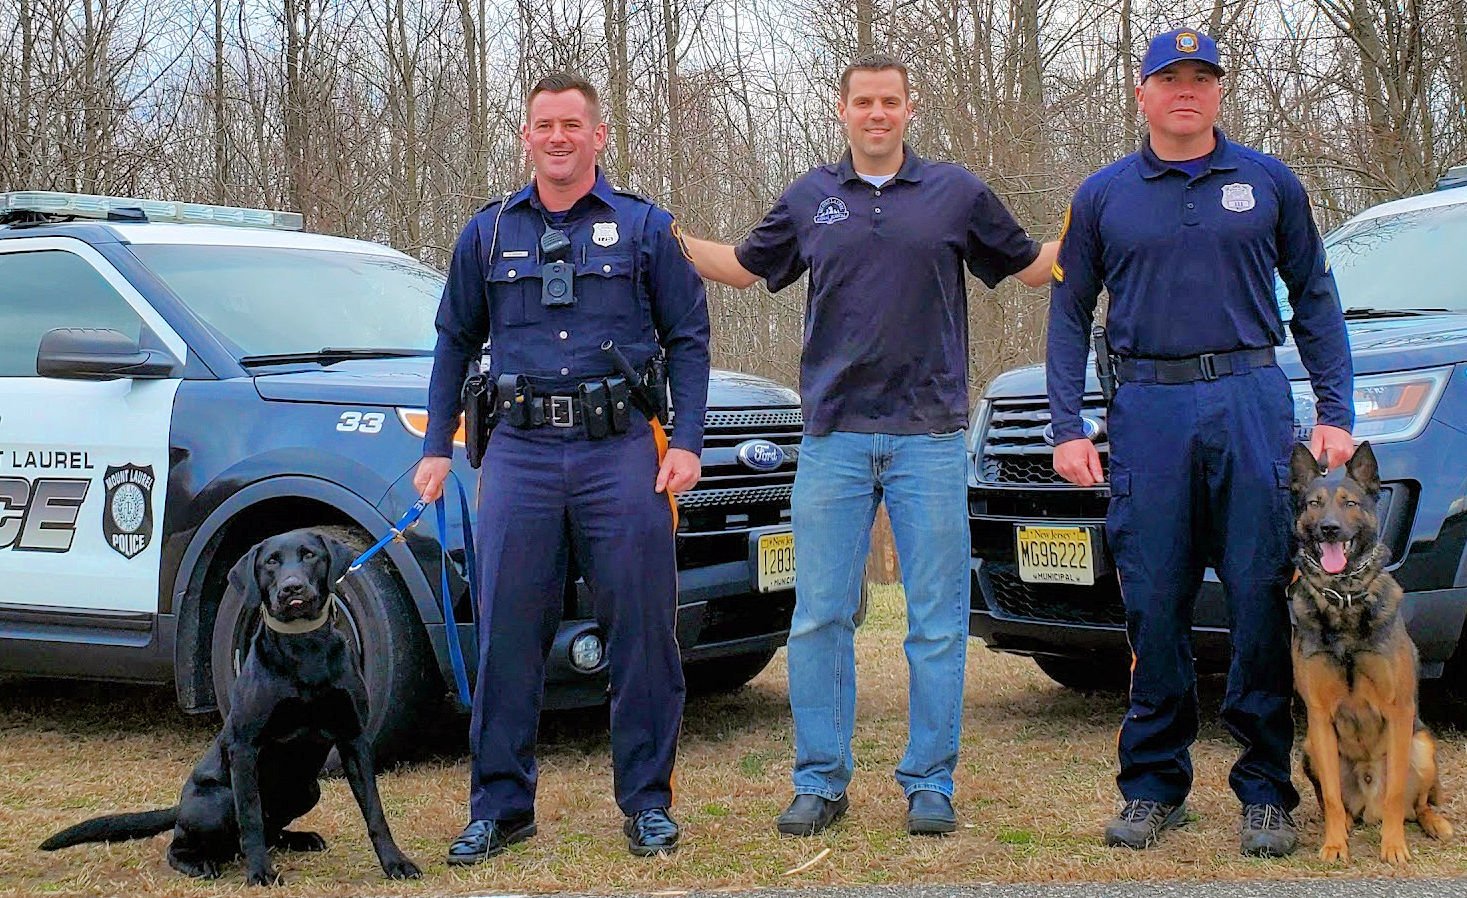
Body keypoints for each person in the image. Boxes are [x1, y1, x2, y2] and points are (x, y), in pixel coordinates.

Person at [683, 53, 1057, 837]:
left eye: (890, 101)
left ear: (909, 108)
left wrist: (1099, 227)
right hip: (832, 438)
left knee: (936, 620)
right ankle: (820, 781)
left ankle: (930, 782)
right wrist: (664, 233)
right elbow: (745, 271)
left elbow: (1030, 271)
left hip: (928, 437)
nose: (877, 114)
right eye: (864, 102)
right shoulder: (810, 198)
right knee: (820, 615)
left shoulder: (955, 193)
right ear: (842, 109)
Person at [1046, 28, 1354, 857]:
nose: (1186, 90)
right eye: (1168, 78)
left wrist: (1334, 406)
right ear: (1141, 94)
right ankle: (1152, 786)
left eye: (1201, 78)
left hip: (1250, 402)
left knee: (1258, 595)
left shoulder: (1266, 183)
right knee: (1153, 598)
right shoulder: (1105, 194)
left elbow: (1315, 295)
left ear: (1218, 92)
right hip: (1146, 409)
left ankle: (1263, 790)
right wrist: (1067, 426)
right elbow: (1069, 312)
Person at [414, 72, 710, 862]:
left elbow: (688, 337)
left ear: (598, 135)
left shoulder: (646, 228)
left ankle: (647, 804)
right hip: (519, 452)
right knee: (507, 633)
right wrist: (435, 446)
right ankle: (501, 807)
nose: (557, 137)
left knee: (642, 633)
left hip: (622, 452)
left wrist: (686, 442)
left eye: (571, 124)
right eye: (543, 124)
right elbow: (451, 339)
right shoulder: (486, 234)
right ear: (525, 135)